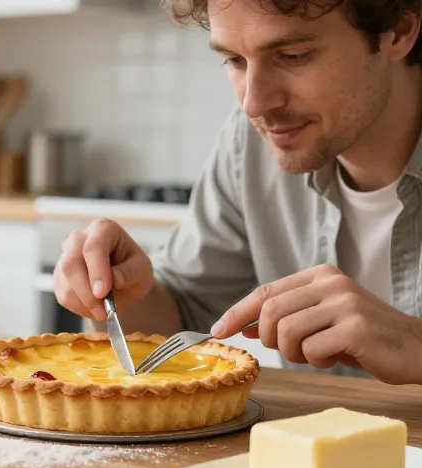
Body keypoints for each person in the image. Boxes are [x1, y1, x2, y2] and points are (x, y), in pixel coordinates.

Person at [53, 0, 422, 385]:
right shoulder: (252, 143)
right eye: (234, 60)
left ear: (399, 29)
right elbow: (180, 316)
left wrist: (411, 342)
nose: (253, 103)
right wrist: (125, 295)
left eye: (293, 56)